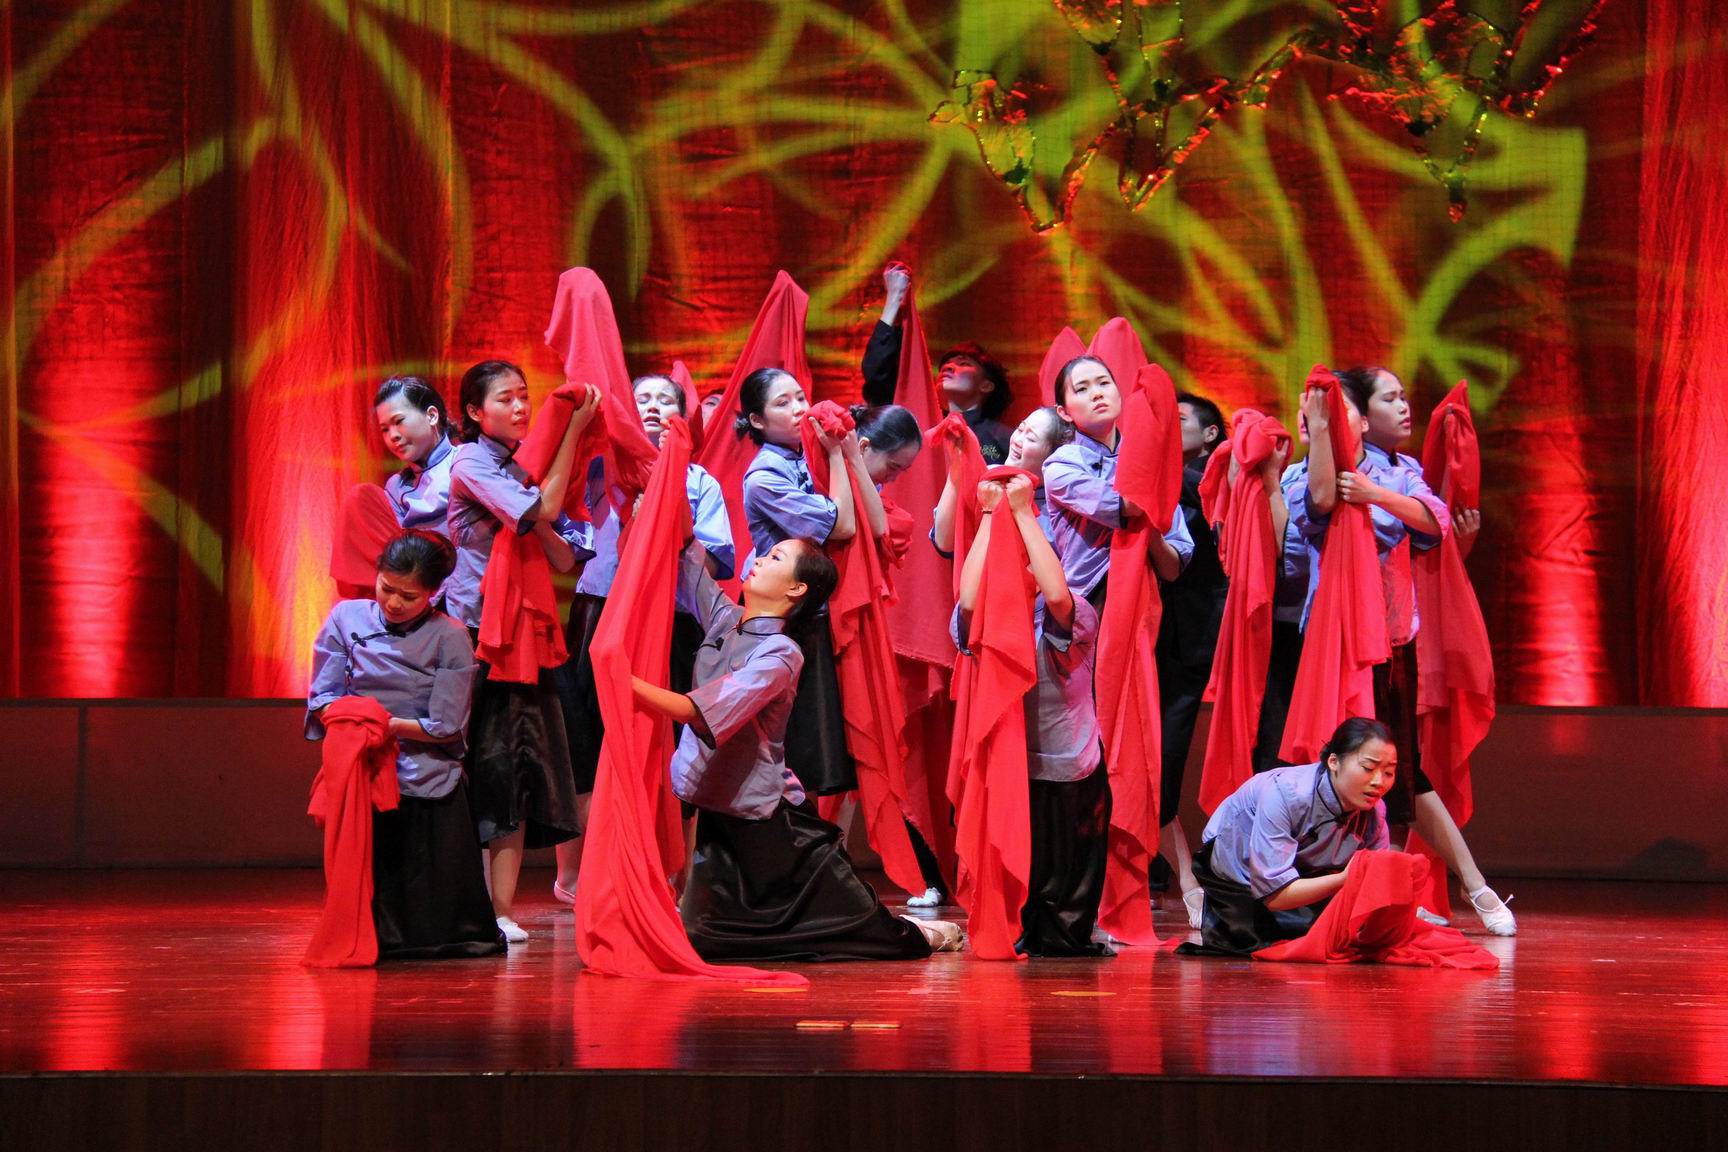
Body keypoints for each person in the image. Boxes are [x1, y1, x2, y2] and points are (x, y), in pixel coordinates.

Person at [630, 538, 963, 961]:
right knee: (707, 940)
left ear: (796, 588)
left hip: (774, 824)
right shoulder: (724, 619)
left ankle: (921, 933)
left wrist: (624, 681)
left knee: (872, 933)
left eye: (775, 558)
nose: (759, 559)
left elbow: (698, 712)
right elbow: (685, 553)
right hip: (719, 816)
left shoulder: (781, 654)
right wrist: (661, 495)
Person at [1301, 368, 1513, 935]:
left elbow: (1433, 521)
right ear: (1359, 417)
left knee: (1400, 772)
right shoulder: (1324, 464)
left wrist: (1375, 495)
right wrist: (1321, 436)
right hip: (1336, 643)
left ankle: (1460, 884)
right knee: (1343, 771)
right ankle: (1390, 890)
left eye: (1403, 396)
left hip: (1394, 640)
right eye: (1389, 399)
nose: (1404, 407)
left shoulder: (1403, 471)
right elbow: (1320, 500)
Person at [552, 374, 736, 904]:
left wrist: (665, 519)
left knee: (674, 743)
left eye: (665, 400)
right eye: (642, 399)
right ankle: (576, 877)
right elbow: (566, 527)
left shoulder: (697, 480)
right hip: (602, 613)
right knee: (588, 741)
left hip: (671, 620)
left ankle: (672, 875)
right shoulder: (599, 468)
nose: (653, 407)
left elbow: (715, 559)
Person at [447, 359, 599, 943]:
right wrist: (573, 430)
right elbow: (542, 510)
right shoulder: (472, 462)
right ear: (474, 411)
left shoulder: (516, 468)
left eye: (524, 396)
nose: (519, 407)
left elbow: (558, 551)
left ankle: (502, 910)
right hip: (478, 641)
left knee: (514, 771)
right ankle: (476, 904)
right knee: (484, 770)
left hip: (520, 641)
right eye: (505, 398)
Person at [306, 531, 505, 959]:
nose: (394, 603)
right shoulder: (345, 618)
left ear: (434, 593)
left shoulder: (450, 635)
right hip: (363, 763)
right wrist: (360, 722)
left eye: (409, 596)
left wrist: (387, 725)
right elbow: (322, 698)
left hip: (425, 768)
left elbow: (447, 724)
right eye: (387, 588)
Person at [953, 474, 1110, 956]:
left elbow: (1058, 597)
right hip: (1013, 770)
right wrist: (988, 517)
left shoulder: (1075, 613)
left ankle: (1064, 942)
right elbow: (968, 600)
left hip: (1071, 767)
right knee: (1021, 877)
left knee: (1066, 898)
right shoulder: (989, 623)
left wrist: (1023, 514)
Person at [737, 367, 862, 798]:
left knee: (822, 748)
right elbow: (843, 526)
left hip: (814, 610)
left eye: (800, 398)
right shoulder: (764, 477)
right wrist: (837, 456)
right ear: (757, 420)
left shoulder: (803, 455)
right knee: (796, 747)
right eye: (782, 403)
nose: (799, 409)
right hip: (786, 619)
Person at [1189, 717, 1395, 954]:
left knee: (1362, 936)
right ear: (1334, 762)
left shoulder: (1375, 811)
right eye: (1368, 768)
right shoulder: (1285, 794)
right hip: (1240, 874)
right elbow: (1274, 895)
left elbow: (1374, 883)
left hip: (1306, 873)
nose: (1378, 782)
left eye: (1388, 772)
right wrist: (1344, 879)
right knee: (1262, 942)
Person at [1154, 392, 1234, 927]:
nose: (1167, 426)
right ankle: (1170, 876)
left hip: (1188, 638)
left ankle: (1186, 877)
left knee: (1163, 759)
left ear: (1210, 436)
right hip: (1154, 634)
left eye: (1179, 420)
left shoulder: (1209, 479)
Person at [1042, 356, 1192, 612]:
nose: (1097, 394)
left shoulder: (1146, 462)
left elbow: (1172, 569)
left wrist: (1151, 534)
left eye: (1104, 383)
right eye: (1082, 389)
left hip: (1146, 600)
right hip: (1088, 601)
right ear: (1064, 412)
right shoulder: (1061, 466)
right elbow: (1131, 506)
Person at [860, 264, 1014, 463]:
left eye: (963, 364)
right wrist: (894, 300)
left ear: (986, 385)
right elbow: (876, 374)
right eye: (946, 364)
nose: (948, 367)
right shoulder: (916, 425)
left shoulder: (1004, 439)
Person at [375, 376, 458, 536]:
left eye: (399, 421)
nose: (392, 436)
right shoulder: (396, 486)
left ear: (432, 416)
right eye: (385, 429)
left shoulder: (465, 460)